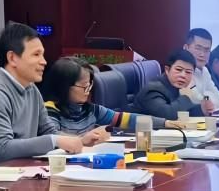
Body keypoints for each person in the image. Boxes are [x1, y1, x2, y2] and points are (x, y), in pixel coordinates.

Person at [0, 22, 104, 166]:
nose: (44, 61)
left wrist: (79, 140)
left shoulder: (31, 88)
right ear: (12, 58)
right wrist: (55, 140)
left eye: (43, 55)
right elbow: (2, 148)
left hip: (20, 171)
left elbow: (48, 131)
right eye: (36, 54)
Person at [41, 57, 179, 135]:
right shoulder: (50, 110)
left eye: (90, 85)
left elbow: (126, 119)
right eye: (84, 86)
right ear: (64, 86)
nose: (88, 91)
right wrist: (84, 140)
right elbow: (53, 137)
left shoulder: (91, 110)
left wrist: (164, 123)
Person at [137, 50, 210, 121]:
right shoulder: (153, 89)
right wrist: (185, 97)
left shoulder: (178, 88)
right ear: (167, 70)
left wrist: (202, 110)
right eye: (178, 70)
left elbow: (185, 112)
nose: (183, 75)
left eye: (188, 72)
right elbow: (167, 115)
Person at [179, 26, 219, 113]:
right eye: (198, 48)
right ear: (186, 48)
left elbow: (218, 102)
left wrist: (204, 97)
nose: (202, 54)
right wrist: (206, 96)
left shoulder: (205, 70)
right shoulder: (181, 71)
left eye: (207, 50)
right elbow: (194, 101)